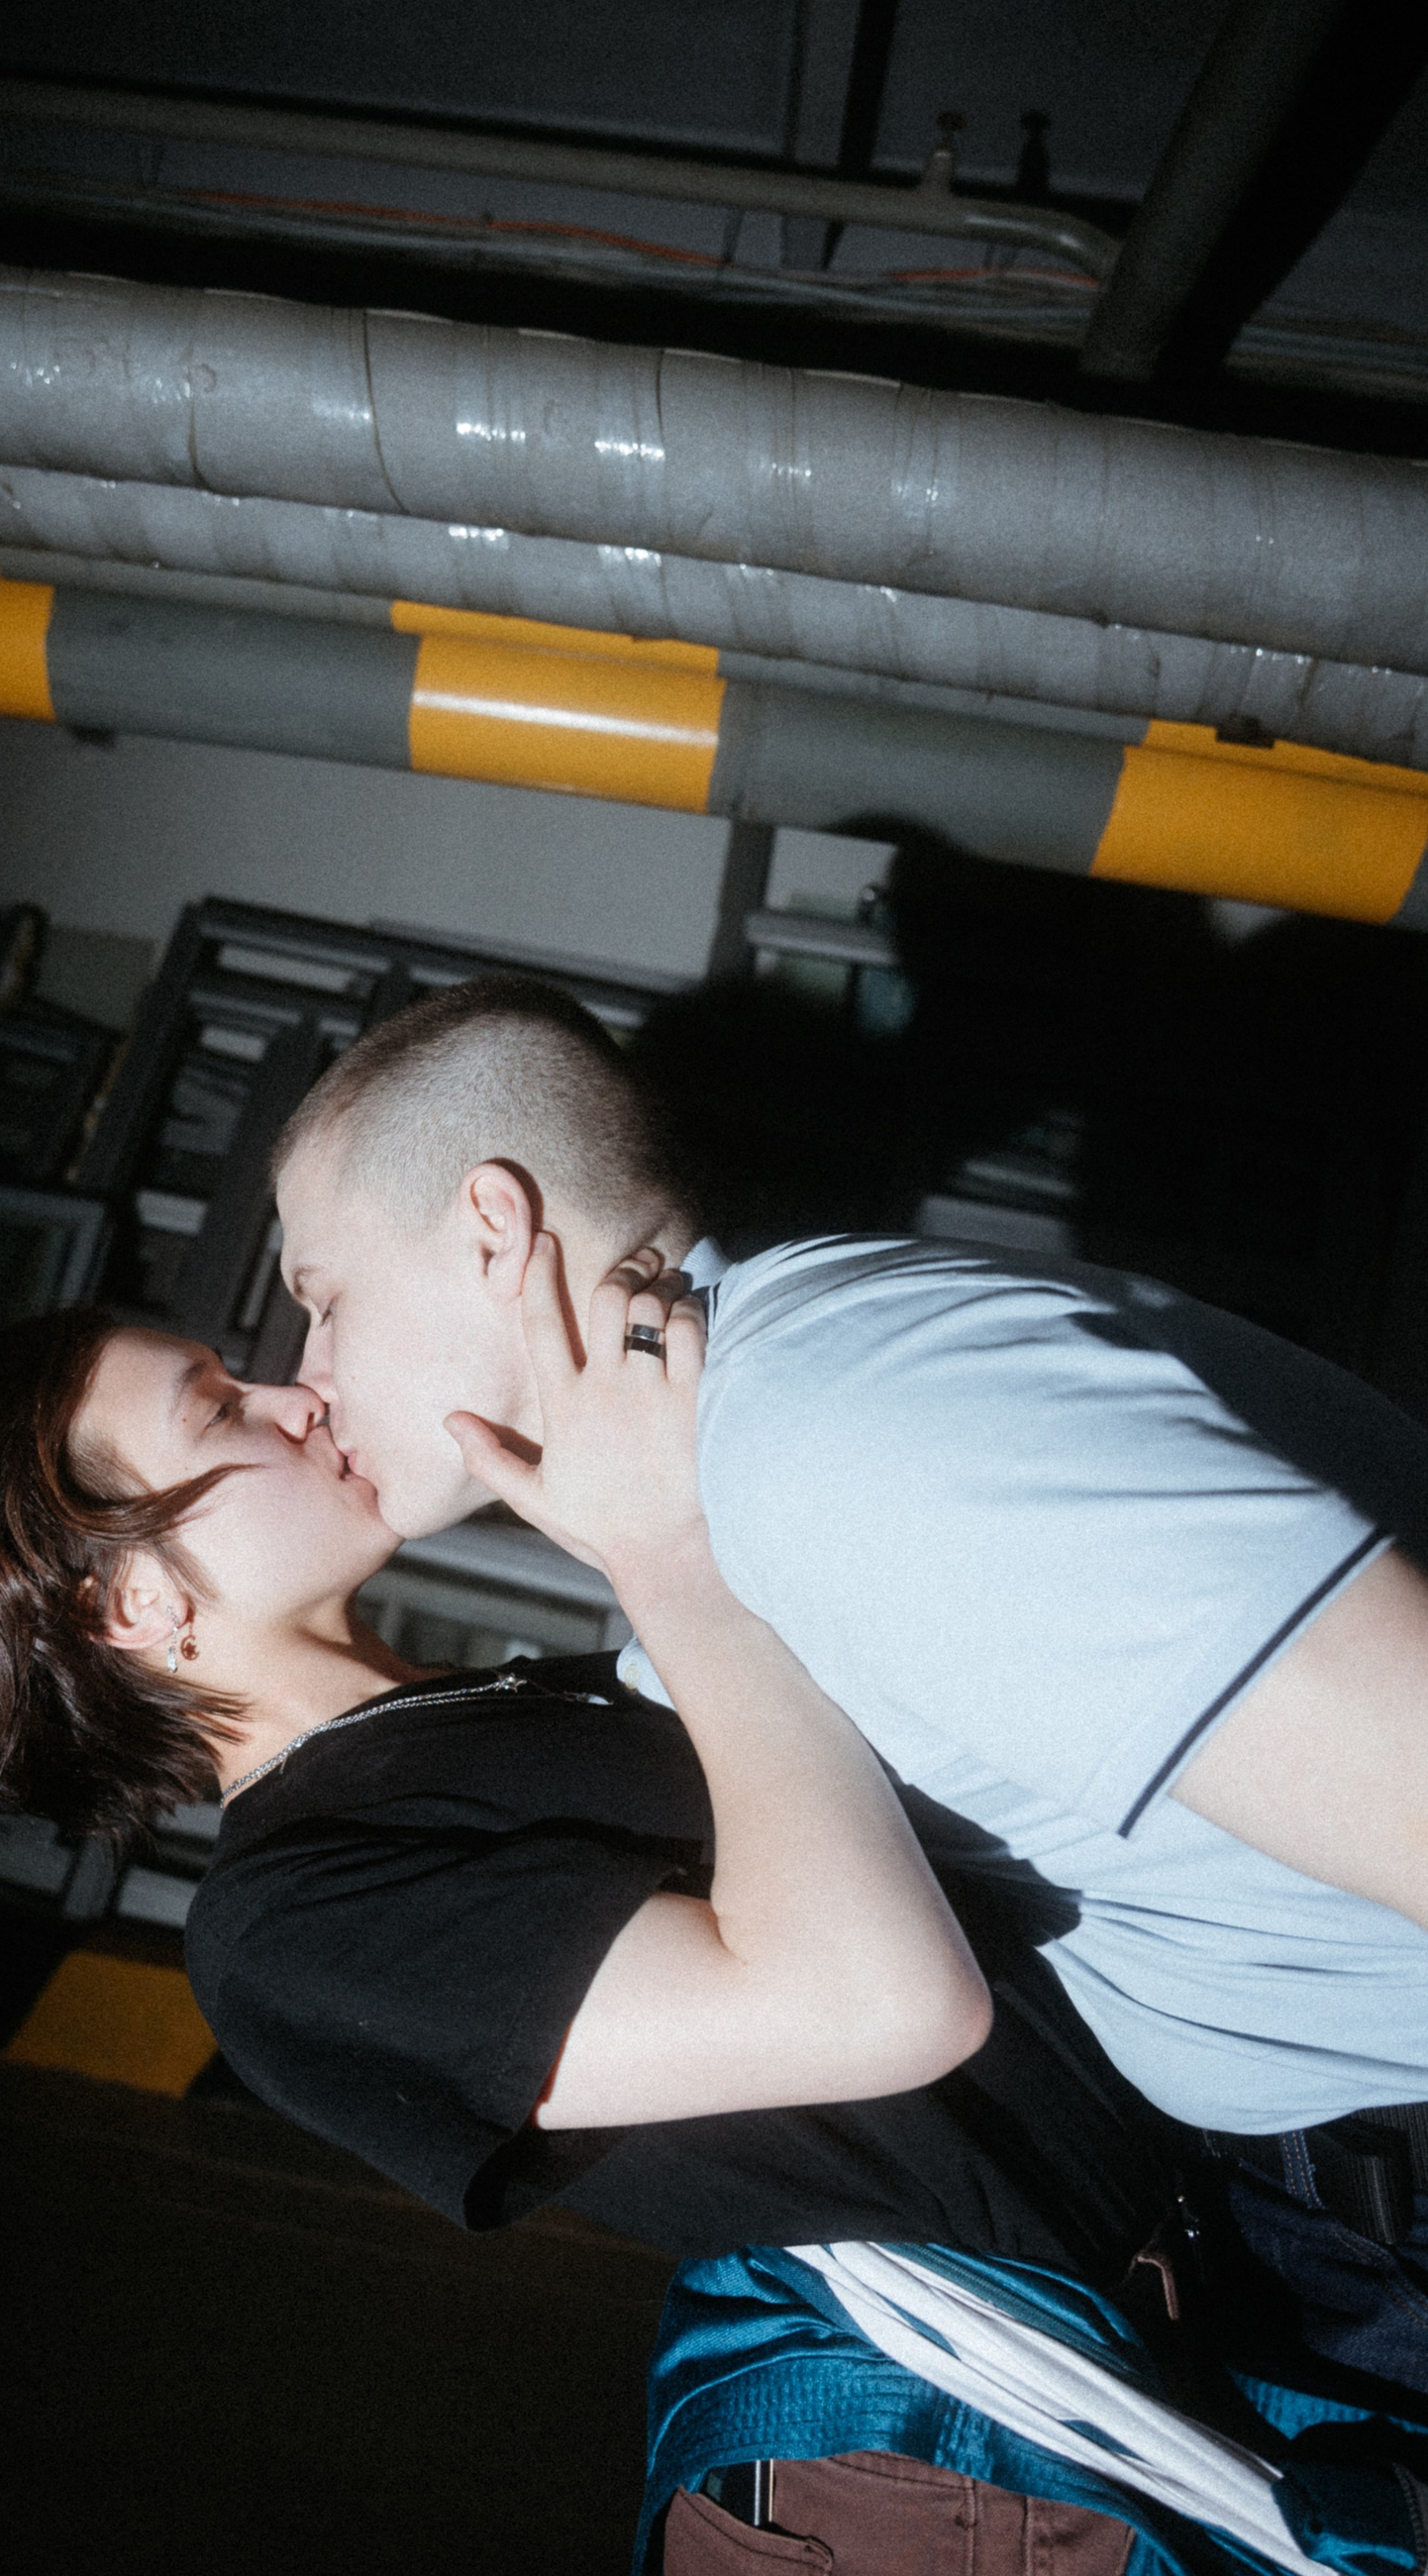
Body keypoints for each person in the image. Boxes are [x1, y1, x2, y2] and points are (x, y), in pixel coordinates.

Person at [0, 1283, 1426, 2576]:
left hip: (1164, 2354)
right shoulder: (291, 1922)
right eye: (216, 1408)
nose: (293, 1393)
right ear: (131, 1605)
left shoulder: (485, 1713)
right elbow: (875, 1998)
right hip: (984, 2512)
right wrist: (670, 1561)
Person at [270, 972, 1428, 2400]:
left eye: (324, 1302)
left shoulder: (828, 1432)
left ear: (492, 1231)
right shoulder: (743, 1457)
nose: (307, 1381)